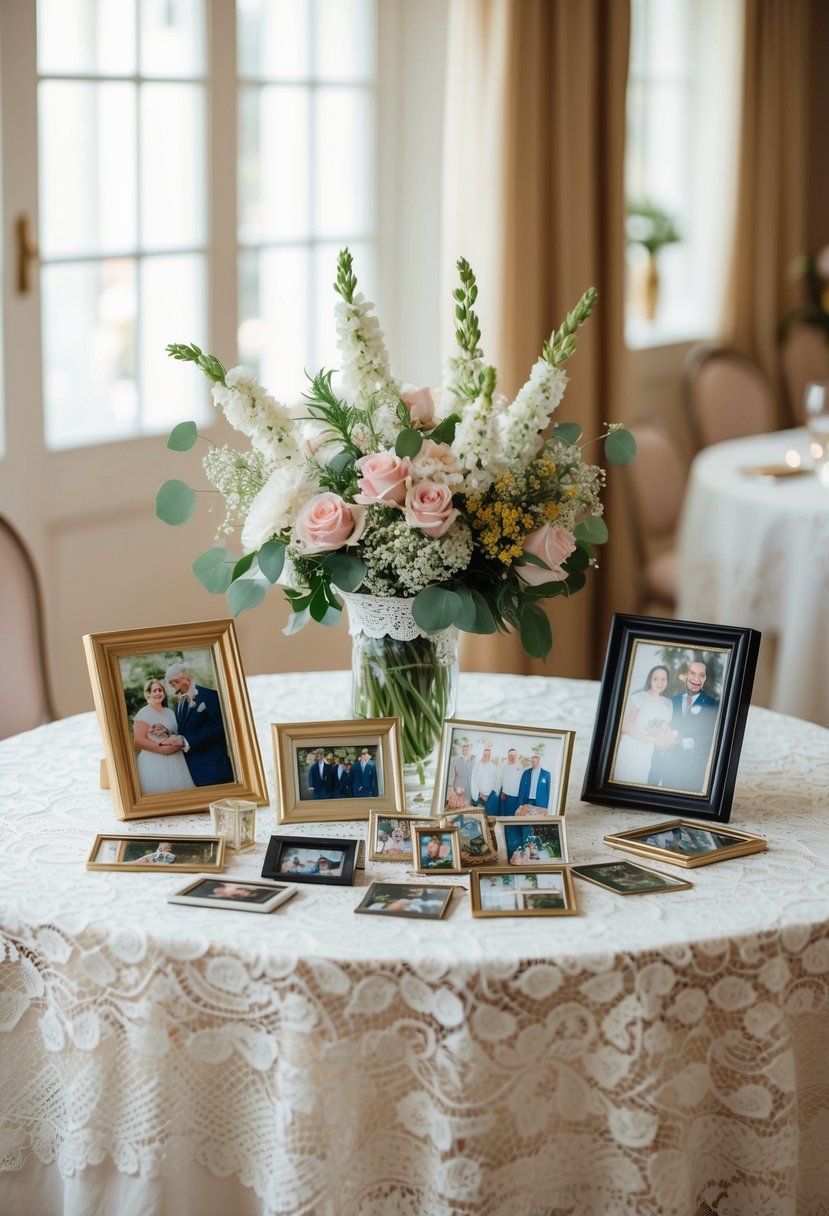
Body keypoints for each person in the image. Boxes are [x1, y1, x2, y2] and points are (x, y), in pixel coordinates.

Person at [648, 660, 720, 792]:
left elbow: (708, 741)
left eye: (701, 675)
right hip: (667, 773)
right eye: (692, 673)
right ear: (686, 675)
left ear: (705, 678)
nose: (696, 679)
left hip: (691, 777)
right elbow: (660, 734)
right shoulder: (672, 701)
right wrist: (652, 781)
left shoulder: (713, 706)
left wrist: (681, 743)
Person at [165, 661, 234, 787]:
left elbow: (218, 728)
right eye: (171, 683)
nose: (172, 686)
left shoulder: (210, 696)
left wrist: (187, 740)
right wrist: (167, 732)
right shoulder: (180, 703)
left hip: (213, 768)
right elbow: (184, 730)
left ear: (184, 678)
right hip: (192, 769)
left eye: (173, 682)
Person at [612, 665, 676, 785]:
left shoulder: (668, 703)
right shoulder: (638, 698)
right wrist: (649, 739)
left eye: (664, 679)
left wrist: (667, 738)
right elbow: (626, 725)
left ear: (667, 681)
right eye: (656, 679)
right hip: (634, 747)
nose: (660, 683)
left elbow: (666, 727)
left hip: (654, 751)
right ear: (650, 680)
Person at [132, 678, 195, 795]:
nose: (157, 693)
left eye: (160, 690)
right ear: (148, 694)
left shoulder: (170, 713)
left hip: (176, 759)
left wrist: (175, 742)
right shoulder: (143, 714)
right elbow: (138, 741)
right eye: (154, 691)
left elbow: (175, 733)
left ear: (164, 693)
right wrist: (161, 748)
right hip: (154, 760)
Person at [471, 747, 500, 816]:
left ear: (490, 756)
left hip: (490, 798)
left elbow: (497, 784)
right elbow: (473, 781)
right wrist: (480, 795)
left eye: (488, 755)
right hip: (479, 797)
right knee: (478, 818)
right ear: (482, 755)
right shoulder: (477, 766)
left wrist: (489, 796)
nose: (486, 756)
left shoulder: (494, 767)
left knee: (489, 818)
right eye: (485, 755)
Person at [497, 748, 523, 815]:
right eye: (510, 755)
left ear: (516, 756)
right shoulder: (505, 764)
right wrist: (503, 791)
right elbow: (502, 778)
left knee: (511, 815)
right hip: (505, 794)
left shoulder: (520, 767)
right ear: (508, 756)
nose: (512, 757)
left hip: (514, 796)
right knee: (503, 814)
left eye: (514, 755)